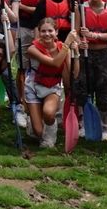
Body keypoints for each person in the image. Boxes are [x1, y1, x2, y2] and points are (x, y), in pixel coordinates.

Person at [75, 0, 107, 140]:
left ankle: (106, 126)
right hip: (86, 54)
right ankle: (84, 124)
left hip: (103, 55)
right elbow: (76, 33)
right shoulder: (81, 8)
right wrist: (81, 42)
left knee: (105, 89)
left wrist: (93, 35)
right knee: (83, 88)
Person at [26, 19, 79, 147]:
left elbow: (74, 74)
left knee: (49, 114)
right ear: (39, 32)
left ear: (56, 32)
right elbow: (54, 62)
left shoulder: (62, 48)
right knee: (38, 132)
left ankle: (50, 137)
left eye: (50, 31)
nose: (47, 34)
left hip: (52, 87)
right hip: (33, 86)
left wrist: (76, 53)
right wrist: (67, 44)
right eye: (43, 31)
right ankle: (33, 120)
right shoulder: (32, 49)